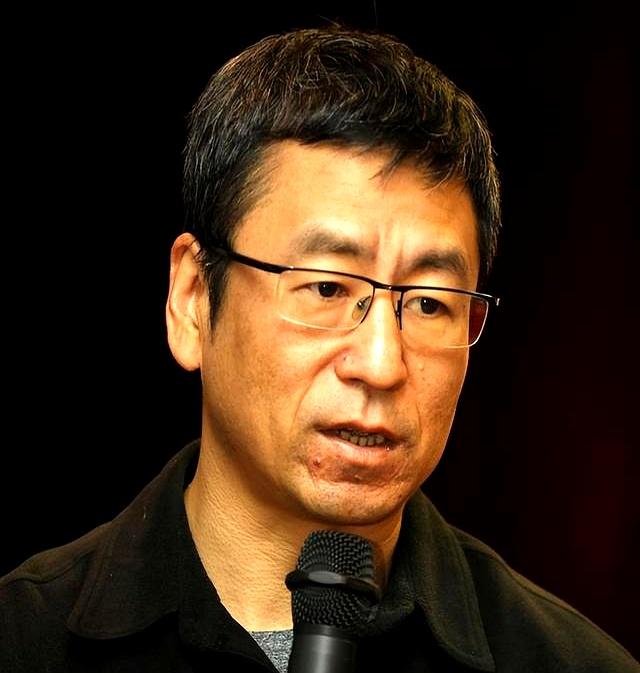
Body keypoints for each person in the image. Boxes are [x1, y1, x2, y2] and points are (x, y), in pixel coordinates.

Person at [1, 26, 637, 673]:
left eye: (429, 303)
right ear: (192, 298)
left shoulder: (571, 663)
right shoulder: (24, 638)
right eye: (328, 287)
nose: (381, 364)